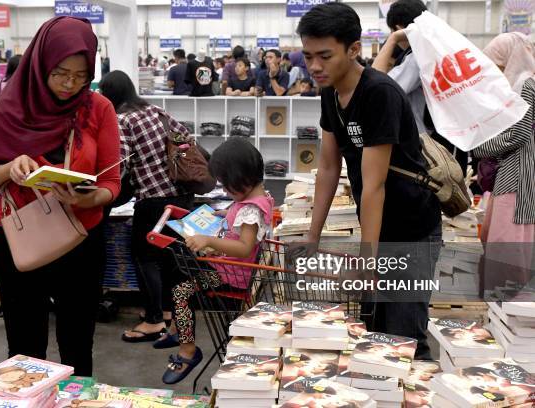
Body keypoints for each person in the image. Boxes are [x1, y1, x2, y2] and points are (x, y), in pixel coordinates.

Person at [0, 16, 121, 376]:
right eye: (60, 73)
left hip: (80, 240)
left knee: (77, 349)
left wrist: (89, 199)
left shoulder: (98, 109)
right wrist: (9, 169)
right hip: (20, 240)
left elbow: (112, 182)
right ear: (40, 63)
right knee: (24, 351)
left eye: (80, 76)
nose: (70, 84)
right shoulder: (10, 107)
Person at [294, 3, 441, 359]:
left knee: (404, 340)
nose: (314, 66)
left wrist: (367, 261)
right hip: (377, 226)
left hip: (410, 229)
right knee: (374, 335)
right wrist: (312, 236)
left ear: (354, 49)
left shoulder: (380, 93)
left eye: (325, 56)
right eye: (308, 56)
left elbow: (375, 186)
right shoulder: (329, 92)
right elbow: (329, 168)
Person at [154, 138, 274, 384]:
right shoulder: (256, 198)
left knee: (180, 291)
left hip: (231, 274)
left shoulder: (251, 211)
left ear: (241, 180)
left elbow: (243, 248)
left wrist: (209, 240)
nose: (226, 191)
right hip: (227, 266)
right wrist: (225, 214)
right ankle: (178, 327)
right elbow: (239, 217)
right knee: (179, 265)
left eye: (227, 186)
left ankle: (188, 349)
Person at [98, 70, 194, 344]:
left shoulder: (122, 120)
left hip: (153, 199)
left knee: (144, 257)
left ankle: (152, 321)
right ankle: (166, 312)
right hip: (182, 195)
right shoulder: (157, 111)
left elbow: (120, 164)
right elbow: (185, 138)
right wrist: (168, 167)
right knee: (168, 258)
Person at [373, 0, 468, 174]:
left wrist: (392, 40)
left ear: (399, 27)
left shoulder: (418, 56)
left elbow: (375, 86)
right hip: (449, 138)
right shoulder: (440, 48)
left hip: (428, 146)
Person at [473, 32, 535, 291]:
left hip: (517, 175)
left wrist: (481, 146)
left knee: (507, 241)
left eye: (496, 66)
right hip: (515, 172)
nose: (494, 72)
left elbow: (518, 133)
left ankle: (508, 307)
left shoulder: (525, 84)